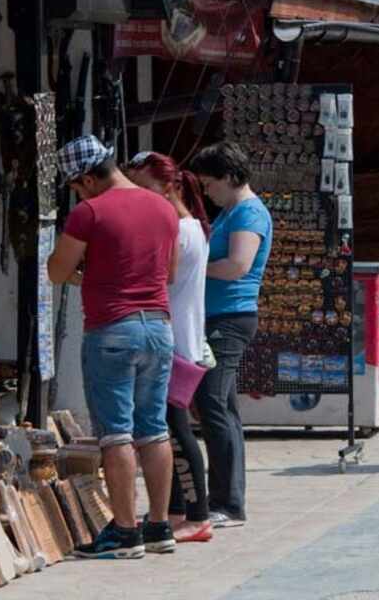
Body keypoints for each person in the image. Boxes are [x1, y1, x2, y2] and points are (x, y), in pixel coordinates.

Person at [47, 136, 181, 559]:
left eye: (75, 186)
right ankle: (159, 526)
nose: (77, 194)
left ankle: (125, 533)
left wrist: (89, 276)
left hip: (112, 330)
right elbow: (170, 272)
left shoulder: (89, 212)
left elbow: (56, 270)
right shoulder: (162, 206)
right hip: (158, 328)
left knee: (117, 434)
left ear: (88, 178)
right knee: (155, 428)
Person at [126, 151, 215, 545]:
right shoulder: (190, 226)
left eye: (144, 188)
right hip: (179, 339)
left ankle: (198, 515)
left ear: (168, 186)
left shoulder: (178, 230)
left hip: (175, 343)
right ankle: (177, 509)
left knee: (176, 433)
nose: (138, 197)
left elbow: (158, 281)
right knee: (166, 429)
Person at [189, 142, 272, 530]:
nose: (207, 192)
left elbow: (237, 265)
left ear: (228, 177)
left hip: (231, 318)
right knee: (223, 408)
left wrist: (192, 267)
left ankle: (226, 503)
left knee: (212, 405)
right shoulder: (229, 212)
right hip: (217, 316)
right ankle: (227, 497)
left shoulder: (250, 213)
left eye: (209, 184)